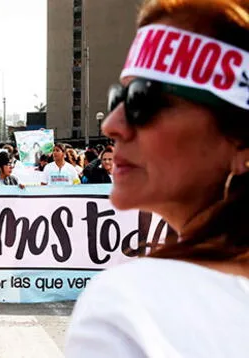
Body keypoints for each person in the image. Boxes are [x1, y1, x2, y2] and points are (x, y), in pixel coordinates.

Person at [65, 1, 249, 357]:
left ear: (241, 138)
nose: (111, 125)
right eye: (118, 97)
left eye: (142, 100)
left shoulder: (129, 310)